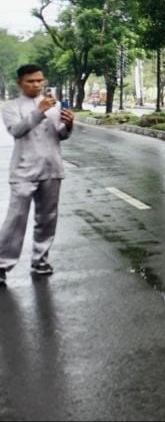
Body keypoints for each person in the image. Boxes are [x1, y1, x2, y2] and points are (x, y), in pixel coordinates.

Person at [1, 64, 75, 288]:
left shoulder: (55, 106)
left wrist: (69, 124)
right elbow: (16, 130)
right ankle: (2, 264)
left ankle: (40, 260)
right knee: (15, 220)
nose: (36, 85)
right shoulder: (10, 106)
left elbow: (60, 135)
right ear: (20, 83)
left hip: (51, 169)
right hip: (23, 171)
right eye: (30, 81)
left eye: (39, 81)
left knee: (47, 219)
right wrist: (39, 111)